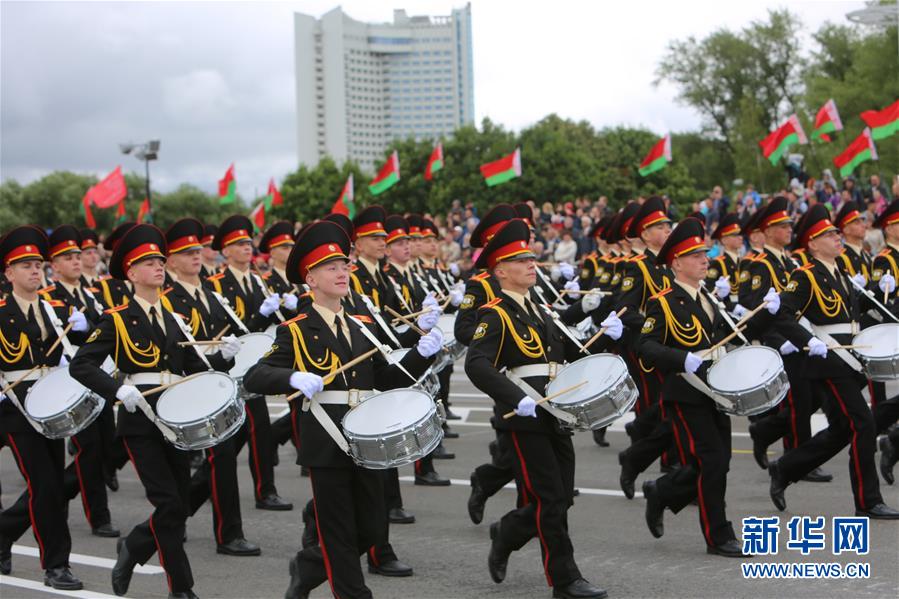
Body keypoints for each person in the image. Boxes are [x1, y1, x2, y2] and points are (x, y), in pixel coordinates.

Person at [243, 220, 443, 599]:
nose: (342, 273)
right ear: (310, 280)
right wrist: (292, 377)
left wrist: (420, 355)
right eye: (330, 268)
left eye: (344, 266)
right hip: (326, 441)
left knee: (369, 528)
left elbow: (385, 379)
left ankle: (308, 566)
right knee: (337, 532)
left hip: (365, 438)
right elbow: (255, 375)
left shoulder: (361, 325)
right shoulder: (296, 329)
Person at [70, 224, 237, 598]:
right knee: (168, 502)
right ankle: (181, 589)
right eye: (148, 261)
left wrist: (222, 360)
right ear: (130, 272)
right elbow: (82, 365)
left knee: (176, 504)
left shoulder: (175, 317)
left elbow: (195, 368)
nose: (158, 266)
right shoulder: (117, 317)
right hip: (140, 419)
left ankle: (135, 546)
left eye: (160, 260)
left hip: (175, 419)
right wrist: (117, 390)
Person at [466, 218, 621, 599]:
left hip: (556, 413)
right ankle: (565, 580)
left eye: (532, 257)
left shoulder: (540, 310)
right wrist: (513, 397)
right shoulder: (496, 313)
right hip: (524, 417)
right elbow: (477, 363)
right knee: (550, 500)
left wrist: (607, 339)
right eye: (521, 259)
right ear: (500, 270)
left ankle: (506, 533)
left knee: (560, 498)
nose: (532, 262)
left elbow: (572, 354)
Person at [760, 204, 899, 519]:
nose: (837, 237)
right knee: (862, 424)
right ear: (811, 243)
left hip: (846, 358)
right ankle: (867, 501)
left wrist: (879, 289)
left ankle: (784, 468)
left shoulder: (840, 273)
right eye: (828, 234)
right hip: (826, 361)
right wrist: (807, 341)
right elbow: (781, 314)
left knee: (841, 430)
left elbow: (851, 313)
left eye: (837, 233)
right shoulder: (804, 275)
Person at [639, 216, 754, 558]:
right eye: (695, 255)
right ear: (676, 262)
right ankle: (718, 536)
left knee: (719, 462)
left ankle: (661, 492)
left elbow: (729, 337)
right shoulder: (663, 301)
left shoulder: (709, 297)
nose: (705, 259)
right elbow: (645, 345)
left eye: (704, 254)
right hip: (687, 392)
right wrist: (680, 358)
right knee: (713, 461)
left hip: (715, 389)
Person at [161, 218, 260, 557]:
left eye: (197, 250)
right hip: (190, 385)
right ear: (170, 260)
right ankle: (228, 533)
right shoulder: (167, 299)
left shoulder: (211, 295)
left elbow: (241, 330)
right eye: (186, 252)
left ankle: (177, 516)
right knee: (220, 459)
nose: (196, 256)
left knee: (225, 454)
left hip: (218, 381)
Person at [0, 225, 84, 589]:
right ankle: (56, 565)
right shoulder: (1, 311)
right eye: (26, 266)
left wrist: (78, 339)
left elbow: (77, 349)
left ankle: (3, 535)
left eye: (38, 265)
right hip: (14, 408)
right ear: (9, 273)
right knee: (46, 484)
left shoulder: (54, 310)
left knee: (51, 485)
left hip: (49, 405)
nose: (35, 271)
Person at [206, 215, 293, 511]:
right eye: (239, 244)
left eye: (248, 242)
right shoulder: (215, 285)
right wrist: (260, 315)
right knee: (225, 446)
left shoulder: (257, 281)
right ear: (226, 251)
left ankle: (265, 490)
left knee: (259, 431)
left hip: (253, 368)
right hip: (228, 367)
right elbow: (232, 330)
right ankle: (202, 487)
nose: (246, 247)